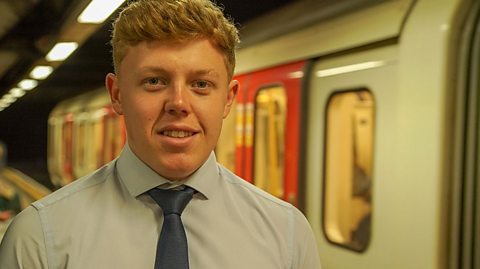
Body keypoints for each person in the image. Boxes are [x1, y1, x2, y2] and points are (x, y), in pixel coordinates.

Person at [0, 0, 321, 268]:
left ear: (228, 99)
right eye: (154, 81)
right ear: (117, 94)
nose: (179, 103)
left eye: (201, 84)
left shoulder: (288, 234)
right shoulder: (39, 238)